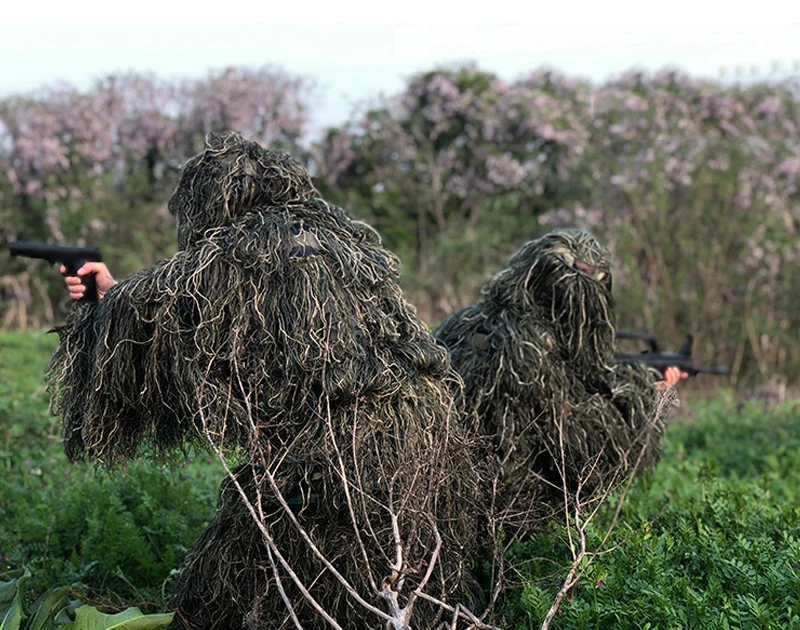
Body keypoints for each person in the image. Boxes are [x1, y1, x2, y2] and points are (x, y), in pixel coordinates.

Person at [50, 132, 483, 629]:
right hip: (426, 438)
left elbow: (148, 326)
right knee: (402, 574)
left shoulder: (230, 256)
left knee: (221, 591)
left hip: (332, 457)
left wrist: (103, 300)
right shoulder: (348, 244)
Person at [433, 228, 687, 541]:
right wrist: (644, 395)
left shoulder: (469, 322)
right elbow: (581, 451)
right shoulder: (530, 351)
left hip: (444, 495)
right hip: (494, 524)